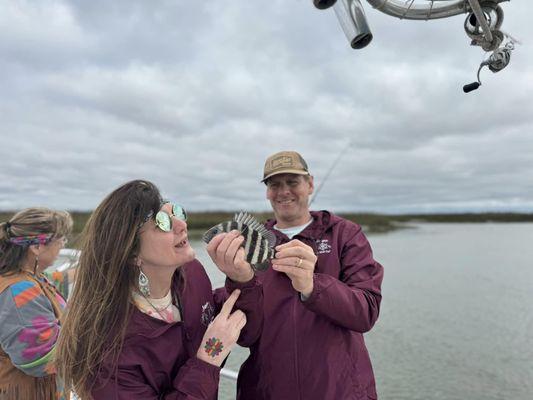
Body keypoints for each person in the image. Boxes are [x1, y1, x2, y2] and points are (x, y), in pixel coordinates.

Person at [56, 179, 262, 400]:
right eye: (162, 223)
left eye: (176, 212)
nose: (181, 225)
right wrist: (209, 356)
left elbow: (239, 325)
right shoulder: (105, 348)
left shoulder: (190, 273)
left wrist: (242, 280)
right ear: (132, 253)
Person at [236, 151, 384, 399]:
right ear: (267, 191)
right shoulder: (252, 242)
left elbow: (366, 312)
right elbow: (245, 333)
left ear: (310, 184)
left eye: (292, 182)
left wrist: (312, 285)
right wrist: (236, 280)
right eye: (274, 184)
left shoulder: (344, 234)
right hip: (267, 390)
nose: (283, 192)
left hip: (339, 391)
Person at [0, 207, 73, 400]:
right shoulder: (19, 291)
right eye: (61, 240)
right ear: (37, 247)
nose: (63, 245)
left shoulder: (29, 277)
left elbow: (53, 281)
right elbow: (41, 359)